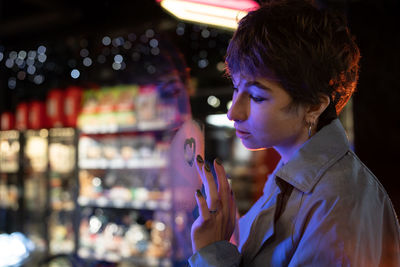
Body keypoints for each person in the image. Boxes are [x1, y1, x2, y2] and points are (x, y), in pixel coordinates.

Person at [189, 0, 400, 266]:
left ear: (314, 106)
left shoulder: (336, 200)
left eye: (256, 97)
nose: (234, 112)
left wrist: (213, 253)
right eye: (236, 88)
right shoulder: (294, 180)